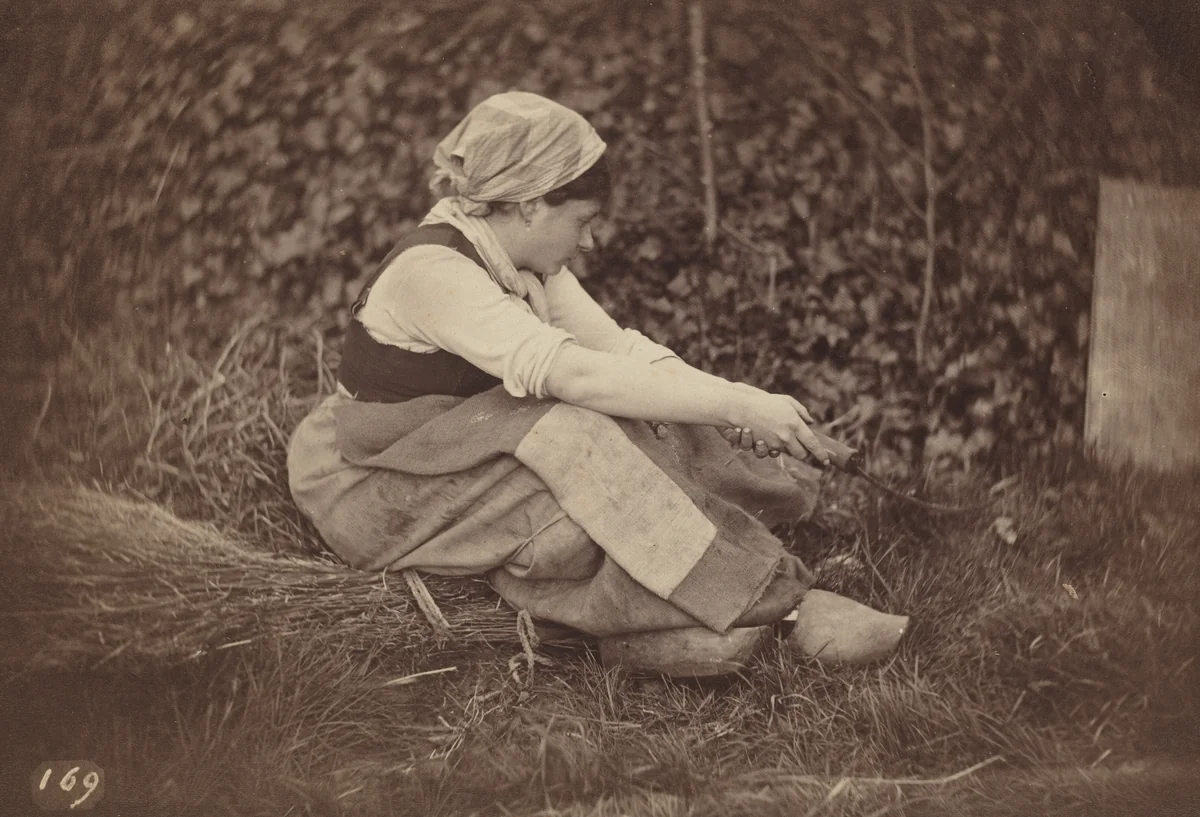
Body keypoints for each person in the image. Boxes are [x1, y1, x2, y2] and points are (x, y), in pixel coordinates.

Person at [287, 91, 907, 675]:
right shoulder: (434, 273)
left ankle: (689, 602)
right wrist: (739, 400)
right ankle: (771, 609)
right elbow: (574, 375)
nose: (591, 238)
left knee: (648, 432)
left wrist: (740, 411)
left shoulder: (524, 261)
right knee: (586, 490)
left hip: (463, 448)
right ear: (530, 204)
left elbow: (620, 354)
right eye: (581, 220)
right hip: (382, 482)